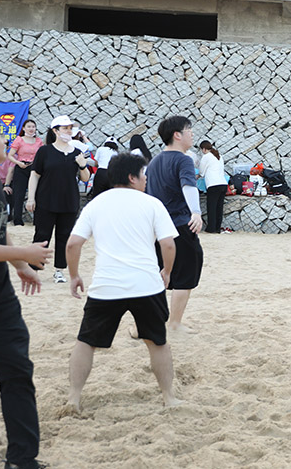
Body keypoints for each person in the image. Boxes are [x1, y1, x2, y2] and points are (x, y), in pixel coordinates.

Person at [64, 153, 181, 412]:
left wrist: (74, 275)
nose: (146, 180)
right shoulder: (151, 204)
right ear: (132, 177)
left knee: (86, 342)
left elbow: (73, 244)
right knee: (157, 342)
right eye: (143, 175)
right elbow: (168, 244)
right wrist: (167, 272)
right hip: (146, 285)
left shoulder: (95, 204)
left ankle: (73, 398)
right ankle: (169, 397)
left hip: (106, 285)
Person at [0, 120, 51, 469]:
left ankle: (22, 458)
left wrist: (20, 267)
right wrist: (23, 254)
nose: (6, 139)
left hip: (0, 296)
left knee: (17, 371)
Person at [146, 116, 204, 332]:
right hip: (180, 224)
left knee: (157, 276)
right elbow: (189, 187)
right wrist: (196, 212)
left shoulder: (154, 162)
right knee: (186, 274)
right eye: (189, 130)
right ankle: (175, 323)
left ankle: (148, 324)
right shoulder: (184, 160)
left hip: (157, 229)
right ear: (177, 135)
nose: (192, 134)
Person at [27, 115, 91, 284]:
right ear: (55, 131)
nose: (68, 131)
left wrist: (82, 164)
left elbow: (85, 177)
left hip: (69, 202)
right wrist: (31, 198)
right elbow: (35, 175)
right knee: (42, 235)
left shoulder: (77, 153)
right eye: (65, 128)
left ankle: (59, 271)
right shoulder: (44, 151)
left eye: (70, 128)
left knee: (64, 237)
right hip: (46, 200)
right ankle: (34, 269)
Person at [7, 119, 42, 226]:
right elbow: (10, 155)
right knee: (19, 195)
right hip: (21, 167)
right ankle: (17, 220)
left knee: (37, 194)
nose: (31, 129)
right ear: (23, 128)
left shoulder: (39, 141)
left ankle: (38, 220)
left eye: (33, 127)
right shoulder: (19, 140)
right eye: (29, 126)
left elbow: (41, 156)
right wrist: (18, 163)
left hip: (34, 169)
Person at [198, 140, 227, 234]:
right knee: (219, 207)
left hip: (213, 185)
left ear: (204, 149)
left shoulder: (206, 157)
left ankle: (211, 228)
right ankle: (217, 228)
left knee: (212, 207)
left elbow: (201, 172)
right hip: (223, 183)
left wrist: (197, 176)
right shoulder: (219, 156)